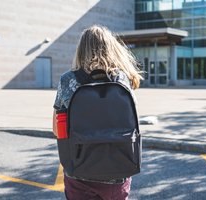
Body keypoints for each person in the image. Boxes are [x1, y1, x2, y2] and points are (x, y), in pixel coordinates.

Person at [53, 25, 143, 200]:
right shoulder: (123, 79)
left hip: (79, 172)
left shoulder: (67, 80)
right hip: (118, 173)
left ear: (81, 50)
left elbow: (57, 130)